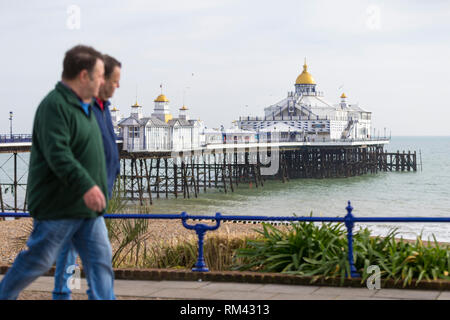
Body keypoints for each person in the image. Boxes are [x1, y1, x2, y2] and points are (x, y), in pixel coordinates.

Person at [0, 45, 115, 300]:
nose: (102, 81)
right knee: (37, 261)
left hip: (87, 211)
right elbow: (58, 154)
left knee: (101, 264)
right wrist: (88, 186)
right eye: (98, 75)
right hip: (59, 207)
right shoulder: (54, 106)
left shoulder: (85, 107)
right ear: (83, 76)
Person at [52, 54, 121, 300]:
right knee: (88, 255)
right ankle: (65, 294)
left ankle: (66, 294)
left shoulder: (104, 108)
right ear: (100, 78)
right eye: (114, 80)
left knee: (78, 252)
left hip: (98, 193)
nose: (117, 85)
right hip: (81, 196)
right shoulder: (84, 107)